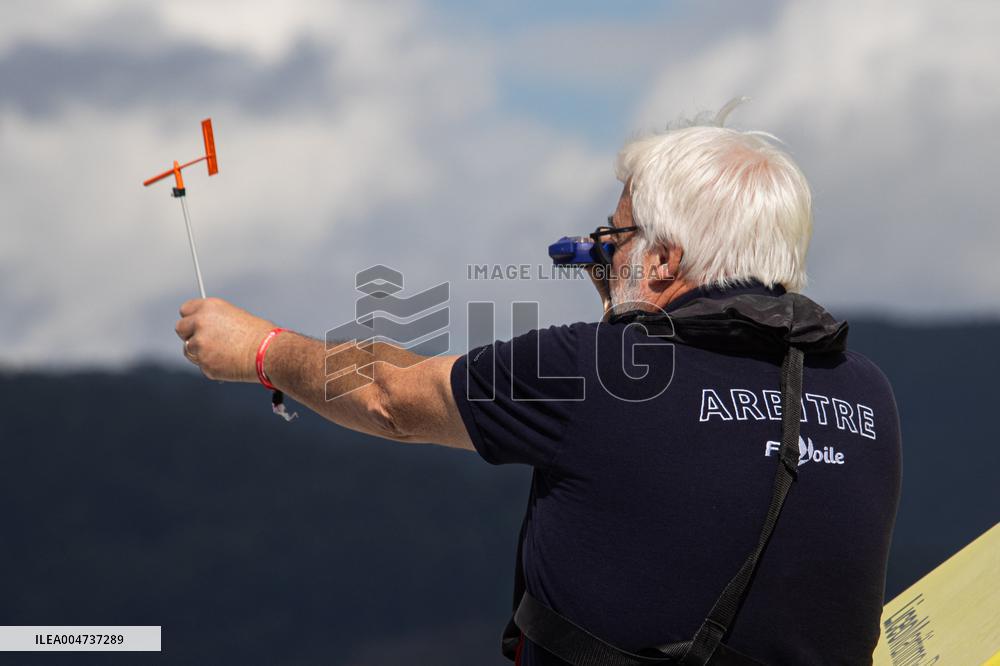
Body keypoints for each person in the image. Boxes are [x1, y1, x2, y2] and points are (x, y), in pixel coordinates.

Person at [174, 107, 901, 665]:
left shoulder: (596, 371)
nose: (594, 266)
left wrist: (261, 349)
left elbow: (388, 397)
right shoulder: (866, 394)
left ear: (663, 262)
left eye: (609, 244)